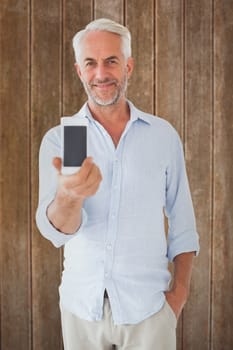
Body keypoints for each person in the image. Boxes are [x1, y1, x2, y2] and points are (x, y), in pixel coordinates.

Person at [36, 18, 199, 350]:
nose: (101, 74)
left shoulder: (161, 136)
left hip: (149, 310)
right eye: (90, 63)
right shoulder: (68, 139)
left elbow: (184, 223)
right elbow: (54, 232)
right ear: (80, 71)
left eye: (111, 61)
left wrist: (177, 298)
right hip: (82, 310)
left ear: (128, 66)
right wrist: (70, 196)